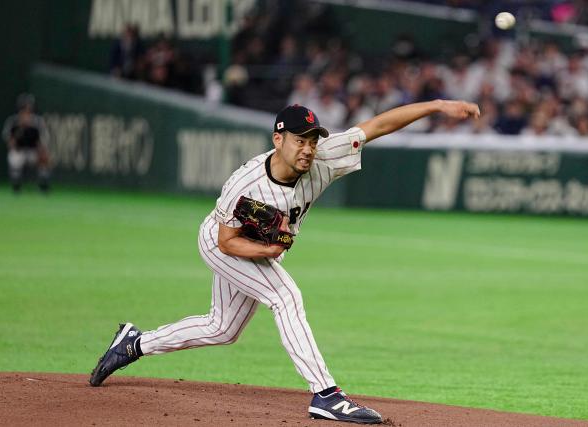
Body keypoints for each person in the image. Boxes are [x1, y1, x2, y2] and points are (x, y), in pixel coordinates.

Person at [89, 100, 480, 424]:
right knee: (285, 295)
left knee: (222, 328)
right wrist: (269, 251)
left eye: (313, 140)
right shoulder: (245, 185)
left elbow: (376, 125)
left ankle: (134, 343)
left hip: (249, 245)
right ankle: (325, 394)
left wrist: (437, 106)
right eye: (299, 140)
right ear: (278, 139)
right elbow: (227, 242)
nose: (308, 148)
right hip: (223, 241)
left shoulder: (324, 158)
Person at [1, 94, 51, 193]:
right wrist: (21, 128)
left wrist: (42, 151)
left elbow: (44, 139)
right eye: (25, 108)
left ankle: (43, 186)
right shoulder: (13, 121)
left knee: (44, 158)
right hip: (18, 150)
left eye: (29, 107)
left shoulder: (37, 121)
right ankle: (16, 187)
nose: (27, 110)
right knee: (14, 158)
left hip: (33, 151)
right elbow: (10, 142)